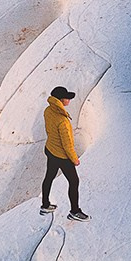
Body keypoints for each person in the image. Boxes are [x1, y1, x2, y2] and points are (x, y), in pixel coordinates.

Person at [40, 86, 88, 221]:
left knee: (49, 177)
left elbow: (49, 129)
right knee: (74, 181)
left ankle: (45, 205)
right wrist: (74, 159)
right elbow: (67, 145)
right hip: (61, 156)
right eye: (67, 98)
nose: (69, 101)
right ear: (61, 100)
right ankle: (75, 211)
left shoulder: (48, 110)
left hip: (50, 149)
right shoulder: (62, 121)